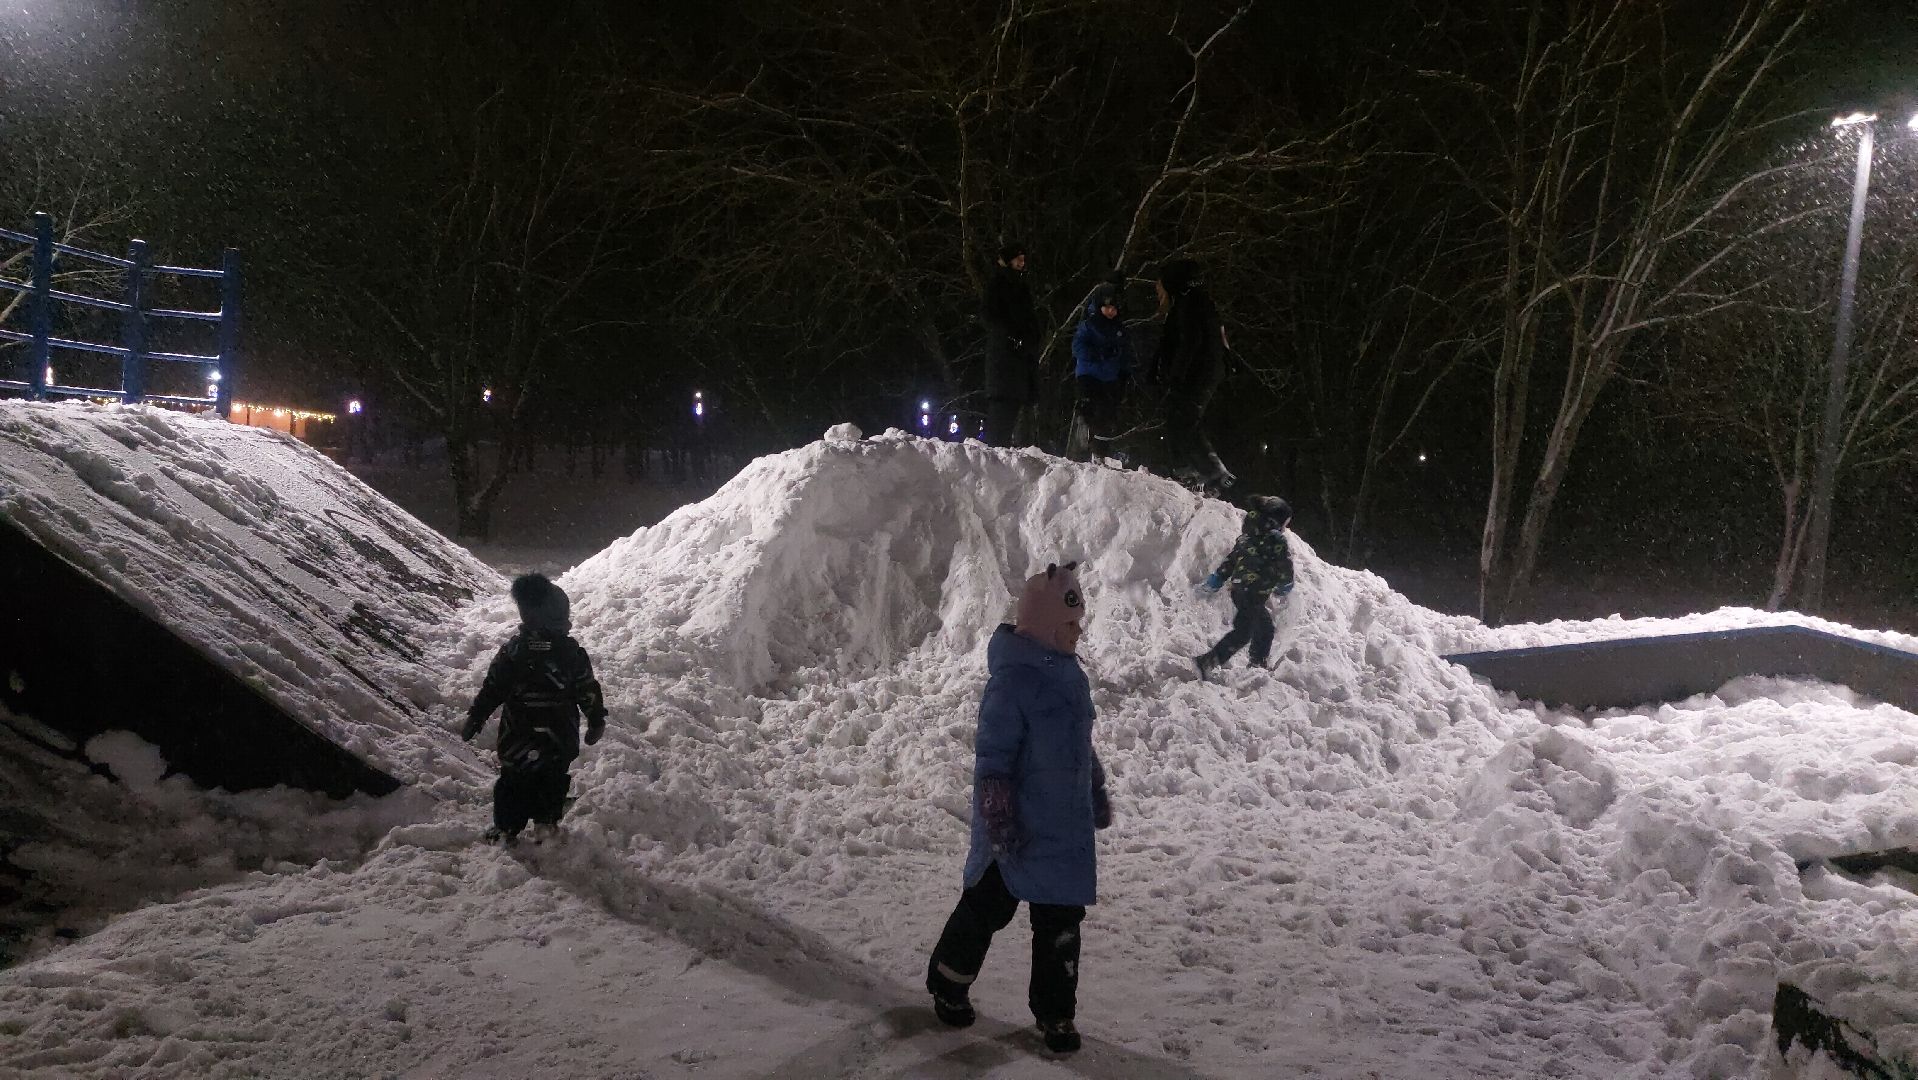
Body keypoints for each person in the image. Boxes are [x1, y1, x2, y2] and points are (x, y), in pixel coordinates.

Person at [925, 561, 1112, 1055]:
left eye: (1078, 623)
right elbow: (993, 759)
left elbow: (1078, 744)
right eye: (1069, 624)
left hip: (1063, 830)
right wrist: (998, 814)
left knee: (1061, 927)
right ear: (1047, 626)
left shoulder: (1071, 678)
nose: (1078, 631)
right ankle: (948, 980)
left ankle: (1055, 1014)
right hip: (1015, 831)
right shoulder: (1012, 683)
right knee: (986, 909)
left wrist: (1093, 785)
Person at [462, 573, 609, 843]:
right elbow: (587, 689)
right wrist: (596, 718)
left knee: (513, 780)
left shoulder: (513, 652)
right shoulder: (571, 654)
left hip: (517, 732)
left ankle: (507, 826)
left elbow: (493, 687)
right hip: (558, 734)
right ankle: (546, 822)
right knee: (551, 779)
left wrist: (477, 715)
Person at [1146, 258, 1230, 487]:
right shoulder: (1195, 302)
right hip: (1201, 373)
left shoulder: (1190, 304)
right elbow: (1171, 343)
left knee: (1182, 421)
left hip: (1196, 375)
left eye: (1160, 288)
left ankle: (1208, 473)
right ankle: (1194, 472)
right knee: (1180, 421)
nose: (1159, 294)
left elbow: (1190, 342)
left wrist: (1176, 375)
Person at [1195, 496, 1295, 678]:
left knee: (1253, 629)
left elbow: (1230, 562)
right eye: (1285, 524)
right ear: (1276, 521)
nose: (1284, 529)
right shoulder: (1277, 541)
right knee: (1255, 630)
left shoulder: (1246, 538)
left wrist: (1215, 580)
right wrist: (1285, 585)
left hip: (1239, 591)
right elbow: (1284, 565)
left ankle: (1218, 661)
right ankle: (1249, 664)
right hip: (1255, 592)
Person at [980, 243, 1043, 447]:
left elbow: (1028, 321)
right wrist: (1011, 338)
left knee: (1013, 409)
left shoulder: (1021, 286)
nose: (1022, 263)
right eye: (1018, 259)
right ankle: (994, 459)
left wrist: (1030, 341)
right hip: (1005, 359)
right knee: (1001, 413)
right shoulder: (999, 284)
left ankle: (1002, 457)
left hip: (1019, 360)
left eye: (1023, 259)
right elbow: (992, 317)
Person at [1068, 285, 1131, 462]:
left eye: (1114, 308)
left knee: (1107, 415)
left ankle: (1099, 453)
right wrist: (1099, 353)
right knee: (1090, 409)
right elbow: (1077, 347)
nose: (1111, 311)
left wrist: (1125, 374)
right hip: (1089, 375)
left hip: (1110, 378)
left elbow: (1125, 353)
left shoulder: (1120, 330)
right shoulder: (1089, 325)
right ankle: (1082, 441)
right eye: (1107, 307)